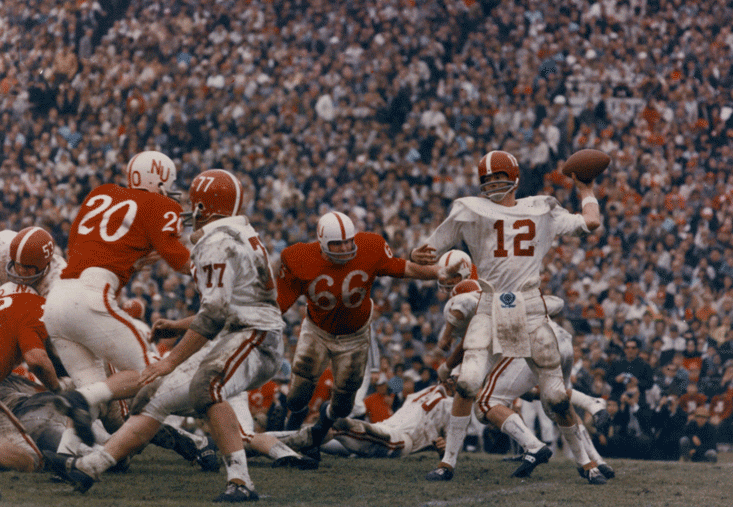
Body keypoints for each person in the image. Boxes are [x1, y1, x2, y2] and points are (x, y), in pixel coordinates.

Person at [44, 169, 282, 502]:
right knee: (154, 398)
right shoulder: (236, 233)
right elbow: (226, 306)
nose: (188, 211)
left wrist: (169, 360)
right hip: (243, 330)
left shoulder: (217, 242)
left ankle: (241, 482)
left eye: (194, 204)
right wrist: (179, 325)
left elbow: (215, 315)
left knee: (205, 385)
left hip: (253, 336)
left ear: (205, 206)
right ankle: (91, 465)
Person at [412, 150, 606, 483]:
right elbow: (430, 248)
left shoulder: (541, 207)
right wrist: (421, 253)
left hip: (530, 307)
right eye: (486, 180)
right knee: (468, 383)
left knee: (556, 396)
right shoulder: (469, 208)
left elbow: (590, 224)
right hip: (490, 305)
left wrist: (587, 193)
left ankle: (587, 464)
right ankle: (448, 463)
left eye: (499, 177)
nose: (493, 184)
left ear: (515, 178)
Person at [42, 151, 191, 434]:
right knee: (151, 374)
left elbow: (90, 248)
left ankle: (70, 455)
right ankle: (81, 399)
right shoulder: (158, 203)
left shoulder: (101, 193)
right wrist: (209, 267)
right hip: (91, 297)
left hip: (57, 301)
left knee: (95, 391)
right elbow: (180, 261)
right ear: (160, 180)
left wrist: (134, 260)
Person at [276, 211, 440, 457]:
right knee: (298, 396)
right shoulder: (299, 257)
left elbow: (390, 385)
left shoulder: (394, 383)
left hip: (356, 344)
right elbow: (280, 302)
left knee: (345, 407)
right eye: (337, 243)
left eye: (348, 241)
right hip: (318, 330)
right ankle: (295, 435)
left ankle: (316, 437)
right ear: (321, 242)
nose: (344, 248)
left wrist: (442, 272)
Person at [425, 280, 612, 483]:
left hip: (532, 341)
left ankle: (533, 446)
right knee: (557, 404)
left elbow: (464, 316)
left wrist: (446, 356)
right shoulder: (507, 291)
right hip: (559, 340)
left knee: (486, 402)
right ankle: (594, 461)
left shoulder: (475, 300)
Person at [0, 287, 93, 472]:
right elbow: (37, 361)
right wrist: (59, 393)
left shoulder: (16, 304)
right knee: (29, 460)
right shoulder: (38, 309)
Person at [278, 378, 454, 459]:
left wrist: (443, 449)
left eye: (385, 385)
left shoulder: (398, 399)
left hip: (396, 438)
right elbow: (362, 411)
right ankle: (272, 442)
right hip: (379, 428)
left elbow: (448, 440)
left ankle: (285, 442)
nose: (382, 388)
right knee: (329, 433)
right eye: (380, 385)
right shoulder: (373, 399)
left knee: (336, 425)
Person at [0, 226, 67, 298]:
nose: (21, 270)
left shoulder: (57, 282)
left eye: (27, 267)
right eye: (17, 264)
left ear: (44, 265)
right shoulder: (3, 250)